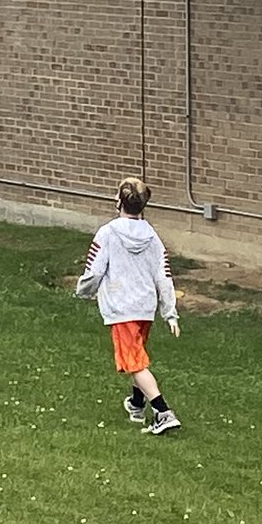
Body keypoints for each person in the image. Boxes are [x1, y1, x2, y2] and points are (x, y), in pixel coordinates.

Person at [75, 176, 182, 435]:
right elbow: (163, 276)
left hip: (121, 308)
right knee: (138, 356)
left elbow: (95, 269)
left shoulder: (108, 232)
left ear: (118, 200)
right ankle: (136, 405)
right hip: (145, 307)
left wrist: (82, 290)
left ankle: (163, 412)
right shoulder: (153, 236)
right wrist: (169, 313)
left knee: (134, 363)